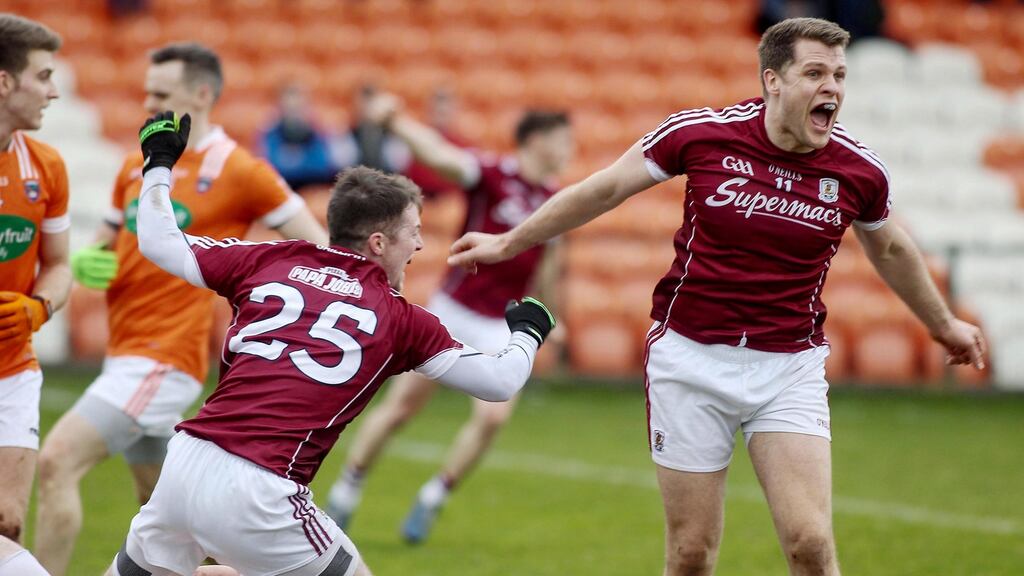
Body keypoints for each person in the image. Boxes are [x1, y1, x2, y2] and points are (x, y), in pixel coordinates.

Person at [447, 17, 986, 576]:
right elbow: (605, 187)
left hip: (789, 367)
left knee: (810, 543)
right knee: (691, 555)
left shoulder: (859, 170)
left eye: (840, 76)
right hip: (690, 360)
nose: (833, 88)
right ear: (773, 81)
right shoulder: (700, 133)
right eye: (816, 73)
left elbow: (892, 250)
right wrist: (511, 241)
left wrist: (942, 323)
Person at [105, 111, 555, 576]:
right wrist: (529, 331)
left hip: (186, 464)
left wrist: (158, 163)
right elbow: (500, 382)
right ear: (378, 243)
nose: (419, 246)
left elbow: (159, 240)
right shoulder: (398, 317)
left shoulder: (269, 258)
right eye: (413, 233)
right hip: (264, 490)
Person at [34, 43, 329, 575]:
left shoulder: (242, 171)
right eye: (146, 91)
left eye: (161, 94)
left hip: (166, 356)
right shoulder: (136, 163)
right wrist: (87, 264)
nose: (147, 102)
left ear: (201, 94)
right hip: (125, 349)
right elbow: (103, 245)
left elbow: (317, 248)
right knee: (177, 522)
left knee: (56, 461)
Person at [325, 95, 572, 543]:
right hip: (453, 311)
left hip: (501, 320)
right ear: (535, 140)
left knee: (494, 418)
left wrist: (552, 312)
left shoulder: (555, 199)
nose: (568, 148)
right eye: (561, 139)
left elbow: (550, 263)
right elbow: (441, 157)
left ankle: (433, 496)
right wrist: (397, 121)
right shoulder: (494, 173)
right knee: (402, 408)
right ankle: (347, 489)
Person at [0, 13, 70, 545]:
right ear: (5, 82)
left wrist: (39, 307)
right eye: (43, 77)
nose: (53, 92)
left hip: (13, 369)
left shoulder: (46, 166)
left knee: (7, 525)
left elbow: (60, 264)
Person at [259, 83, 337, 191]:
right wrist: (303, 160)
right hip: (281, 189)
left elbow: (322, 165)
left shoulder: (316, 131)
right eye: (289, 108)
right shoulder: (270, 132)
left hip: (312, 188)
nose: (293, 113)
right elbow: (270, 167)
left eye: (297, 108)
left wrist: (291, 160)